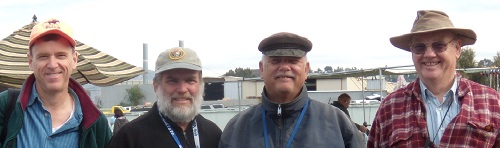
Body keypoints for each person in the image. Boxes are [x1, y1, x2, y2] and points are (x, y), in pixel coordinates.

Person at [368, 10, 500, 147]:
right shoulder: (390, 107)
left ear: (457, 49)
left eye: (439, 45)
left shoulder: (491, 102)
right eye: (419, 47)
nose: (429, 54)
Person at [219, 32, 364, 148]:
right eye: (275, 60)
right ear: (262, 69)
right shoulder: (237, 128)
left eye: (293, 61)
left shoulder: (338, 124)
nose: (284, 67)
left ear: (306, 69)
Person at [0, 18, 112, 147]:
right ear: (30, 61)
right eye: (43, 56)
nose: (52, 65)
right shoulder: (5, 107)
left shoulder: (96, 123)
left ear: (74, 59)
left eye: (61, 55)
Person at [108, 47, 222, 147]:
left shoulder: (214, 134)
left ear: (201, 85)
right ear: (156, 85)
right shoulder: (129, 138)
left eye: (190, 80)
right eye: (172, 81)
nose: (182, 89)